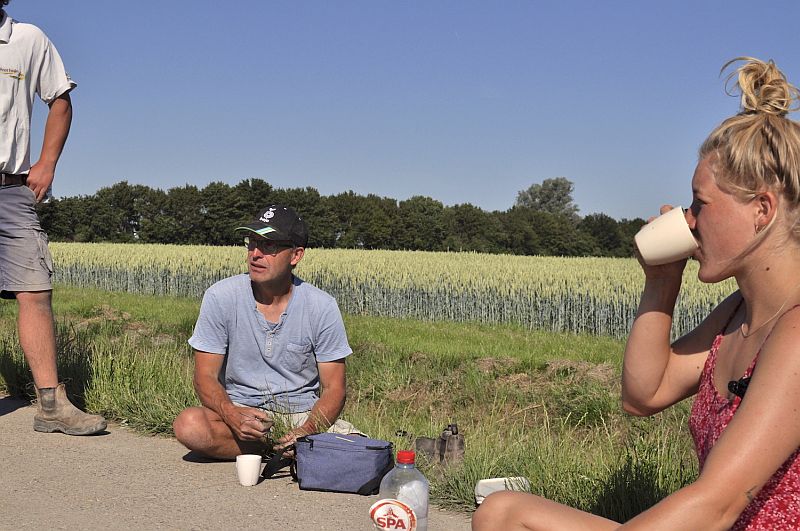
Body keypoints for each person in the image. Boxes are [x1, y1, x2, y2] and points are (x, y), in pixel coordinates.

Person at [473, 57, 800, 530]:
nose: (688, 220)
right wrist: (662, 281)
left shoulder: (794, 333)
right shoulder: (739, 313)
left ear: (761, 211)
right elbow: (644, 394)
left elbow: (715, 506)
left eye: (700, 204)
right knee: (502, 513)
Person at [173, 205, 362, 460]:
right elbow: (204, 376)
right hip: (240, 412)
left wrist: (306, 430)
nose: (255, 254)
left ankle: (296, 447)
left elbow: (334, 389)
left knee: (361, 452)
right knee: (189, 425)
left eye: (269, 246)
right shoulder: (220, 297)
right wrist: (231, 413)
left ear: (296, 255)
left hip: (301, 415)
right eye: (252, 243)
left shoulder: (321, 306)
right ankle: (274, 451)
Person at [0, 1, 106, 435]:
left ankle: (51, 404)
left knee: (35, 289)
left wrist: (47, 162)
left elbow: (60, 101)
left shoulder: (27, 38)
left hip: (11, 187)